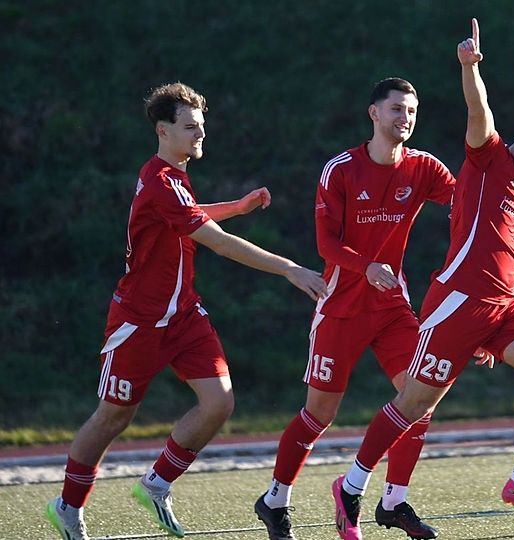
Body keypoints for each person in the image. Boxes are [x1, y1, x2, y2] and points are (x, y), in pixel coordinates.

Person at [45, 82, 328, 540]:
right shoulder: (159, 181)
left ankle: (156, 483)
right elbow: (215, 241)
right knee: (113, 417)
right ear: (163, 131)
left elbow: (190, 214)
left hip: (183, 315)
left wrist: (234, 207)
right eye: (190, 126)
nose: (200, 133)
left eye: (201, 125)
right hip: (139, 321)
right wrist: (289, 269)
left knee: (219, 403)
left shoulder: (174, 176)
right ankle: (67, 506)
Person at [329, 18, 514, 540]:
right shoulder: (487, 160)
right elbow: (478, 111)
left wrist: (493, 337)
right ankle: (351, 485)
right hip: (458, 302)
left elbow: (506, 254)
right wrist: (469, 67)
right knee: (415, 405)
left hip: (503, 305)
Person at [253, 78, 457, 540]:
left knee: (420, 401)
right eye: (397, 109)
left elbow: (469, 201)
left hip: (391, 308)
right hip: (341, 307)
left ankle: (393, 501)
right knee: (318, 416)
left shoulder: (424, 167)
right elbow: (326, 243)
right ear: (374, 114)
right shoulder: (341, 169)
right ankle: (275, 500)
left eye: (412, 111)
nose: (405, 118)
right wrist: (365, 267)